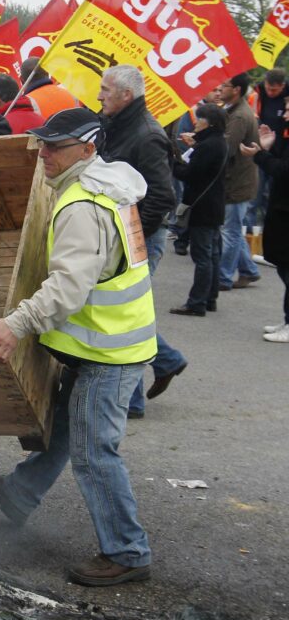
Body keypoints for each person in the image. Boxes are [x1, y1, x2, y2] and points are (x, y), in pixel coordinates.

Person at [0, 107, 155, 587]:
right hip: (106, 342)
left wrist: (17, 323)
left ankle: (127, 552)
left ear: (88, 148)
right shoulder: (103, 184)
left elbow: (69, 288)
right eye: (42, 144)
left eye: (55, 146)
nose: (44, 153)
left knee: (94, 452)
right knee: (64, 430)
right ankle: (20, 493)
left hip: (108, 352)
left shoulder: (82, 204)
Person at [97, 65, 183, 417]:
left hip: (141, 236)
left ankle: (131, 399)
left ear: (126, 96)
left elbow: (162, 196)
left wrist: (134, 239)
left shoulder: (147, 134)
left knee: (125, 313)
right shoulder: (117, 123)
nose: (99, 95)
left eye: (105, 89)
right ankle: (167, 361)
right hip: (124, 231)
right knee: (123, 311)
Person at [169, 103, 228, 316]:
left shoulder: (209, 146)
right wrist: (194, 144)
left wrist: (173, 161)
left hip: (202, 207)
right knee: (211, 254)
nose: (196, 122)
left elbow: (190, 173)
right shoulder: (217, 142)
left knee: (202, 255)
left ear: (209, 123)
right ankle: (209, 298)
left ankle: (197, 302)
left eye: (200, 119)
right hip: (214, 205)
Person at [242, 124, 289, 342]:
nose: (285, 114)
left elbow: (283, 170)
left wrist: (260, 155)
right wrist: (267, 150)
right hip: (281, 208)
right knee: (284, 267)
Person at [218, 73, 262, 291]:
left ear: (236, 89)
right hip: (238, 181)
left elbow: (226, 150)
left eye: (224, 86)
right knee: (232, 229)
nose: (219, 89)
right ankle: (249, 271)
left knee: (231, 232)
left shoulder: (239, 117)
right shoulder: (235, 111)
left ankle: (223, 277)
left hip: (237, 183)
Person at [246, 68, 289, 230]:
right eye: (268, 87)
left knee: (271, 198)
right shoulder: (258, 94)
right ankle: (249, 234)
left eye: (274, 89)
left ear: (282, 86)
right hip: (261, 152)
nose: (270, 92)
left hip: (280, 155)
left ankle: (266, 231)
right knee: (254, 198)